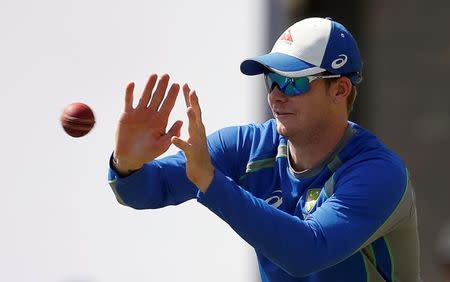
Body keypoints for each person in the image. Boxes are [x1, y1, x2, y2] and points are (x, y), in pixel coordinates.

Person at [108, 17, 421, 281]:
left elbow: (308, 252)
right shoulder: (248, 146)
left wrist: (212, 184)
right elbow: (147, 190)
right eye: (271, 80)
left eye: (293, 82)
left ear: (340, 89)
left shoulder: (379, 173)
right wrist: (127, 163)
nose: (276, 96)